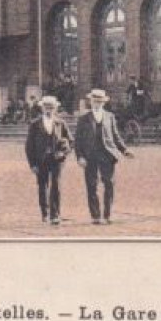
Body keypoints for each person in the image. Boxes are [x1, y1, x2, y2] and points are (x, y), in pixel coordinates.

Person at [74, 88, 132, 224]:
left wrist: (124, 150)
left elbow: (115, 136)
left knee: (109, 184)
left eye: (100, 101)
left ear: (103, 103)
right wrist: (80, 157)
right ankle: (95, 215)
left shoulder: (109, 116)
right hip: (90, 155)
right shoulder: (84, 119)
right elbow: (78, 141)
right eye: (95, 101)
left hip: (107, 154)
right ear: (91, 102)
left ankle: (107, 214)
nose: (97, 103)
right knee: (91, 185)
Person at [25, 95, 72, 226]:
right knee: (42, 186)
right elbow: (29, 146)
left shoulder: (60, 123)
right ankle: (45, 213)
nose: (49, 109)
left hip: (56, 160)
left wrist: (63, 152)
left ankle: (55, 214)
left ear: (55, 108)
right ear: (42, 108)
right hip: (41, 160)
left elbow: (71, 141)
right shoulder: (35, 124)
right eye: (46, 107)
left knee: (56, 185)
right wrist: (32, 164)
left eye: (51, 107)